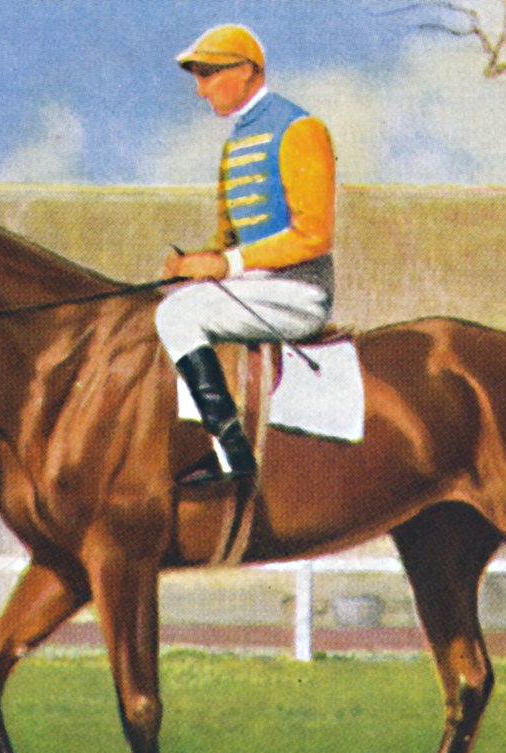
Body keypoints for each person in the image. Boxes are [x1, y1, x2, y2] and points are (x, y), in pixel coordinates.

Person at [157, 24, 336, 485]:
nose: (200, 90)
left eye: (209, 74)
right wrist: (195, 265)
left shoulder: (299, 128)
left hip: (298, 291)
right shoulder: (236, 142)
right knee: (168, 302)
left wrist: (224, 265)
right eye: (197, 77)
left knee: (177, 316)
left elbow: (314, 235)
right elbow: (231, 242)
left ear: (248, 71)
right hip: (254, 287)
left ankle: (233, 454)